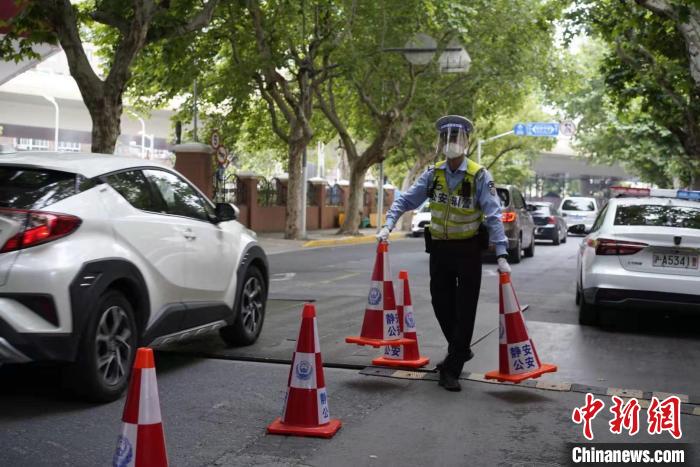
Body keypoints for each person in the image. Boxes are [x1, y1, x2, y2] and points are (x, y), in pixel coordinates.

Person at [377, 115, 510, 392]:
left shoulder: (478, 175)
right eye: (447, 139)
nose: (451, 144)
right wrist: (388, 223)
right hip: (440, 250)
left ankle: (452, 368)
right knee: (440, 303)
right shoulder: (433, 174)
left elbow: (494, 214)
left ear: (466, 142)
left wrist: (501, 253)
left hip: (468, 250)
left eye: (456, 138)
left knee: (465, 307)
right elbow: (406, 199)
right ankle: (459, 350)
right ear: (441, 142)